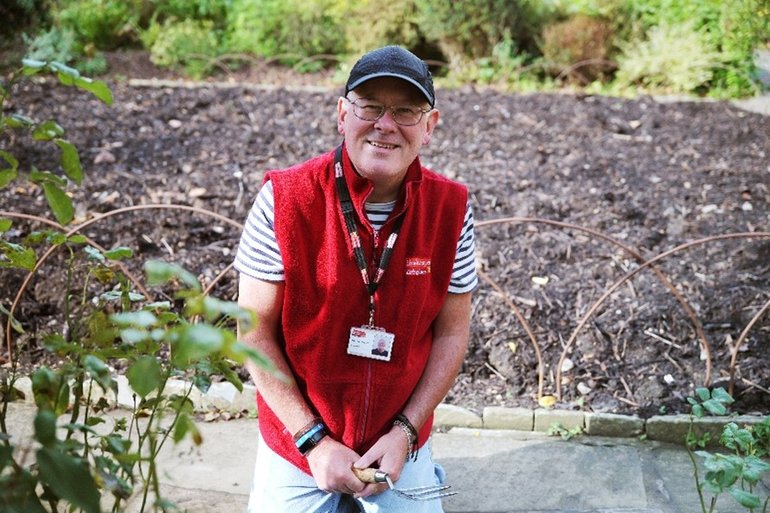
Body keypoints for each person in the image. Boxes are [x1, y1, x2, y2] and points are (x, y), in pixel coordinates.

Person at [234, 45, 478, 513]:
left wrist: (406, 433)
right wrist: (313, 442)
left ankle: (423, 466)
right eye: (370, 106)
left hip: (399, 441)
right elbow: (253, 330)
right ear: (343, 114)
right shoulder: (284, 200)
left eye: (406, 110)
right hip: (299, 445)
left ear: (429, 127)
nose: (386, 124)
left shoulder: (452, 209)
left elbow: (452, 332)